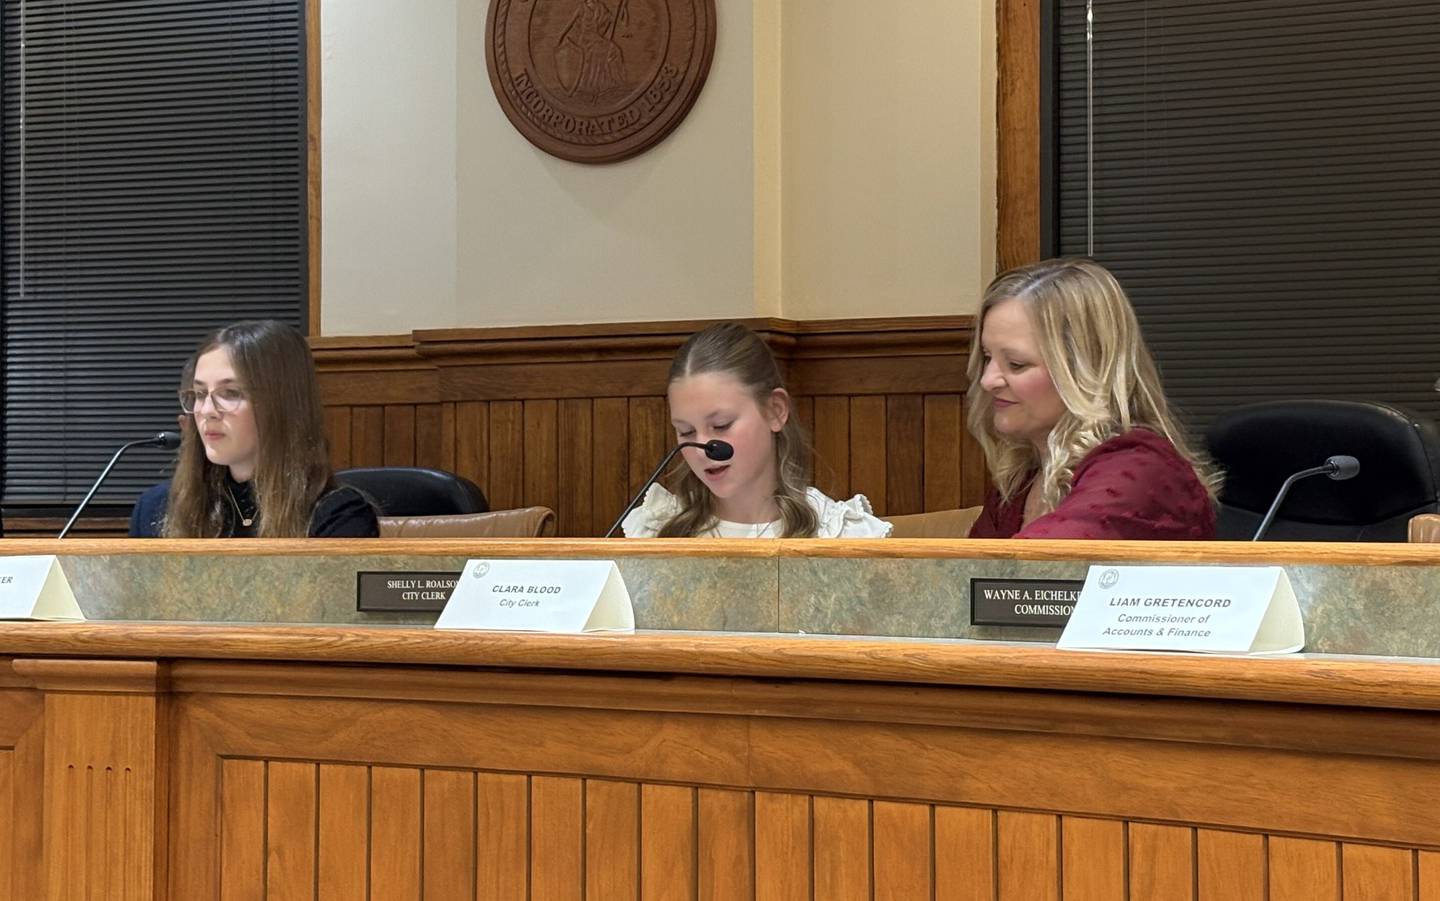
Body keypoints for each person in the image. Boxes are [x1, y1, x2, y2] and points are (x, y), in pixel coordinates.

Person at [966, 258, 1218, 539]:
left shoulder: (1140, 469)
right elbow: (959, 577)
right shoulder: (1021, 479)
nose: (988, 380)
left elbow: (1035, 570)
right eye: (987, 358)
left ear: (1085, 369)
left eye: (1016, 364)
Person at [622, 322, 892, 538]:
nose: (703, 448)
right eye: (686, 432)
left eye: (721, 425)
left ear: (775, 411)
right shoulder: (655, 531)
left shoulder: (838, 533)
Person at [130, 320, 378, 538]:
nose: (206, 410)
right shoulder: (156, 508)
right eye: (200, 393)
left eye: (230, 393)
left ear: (281, 403)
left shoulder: (338, 517)